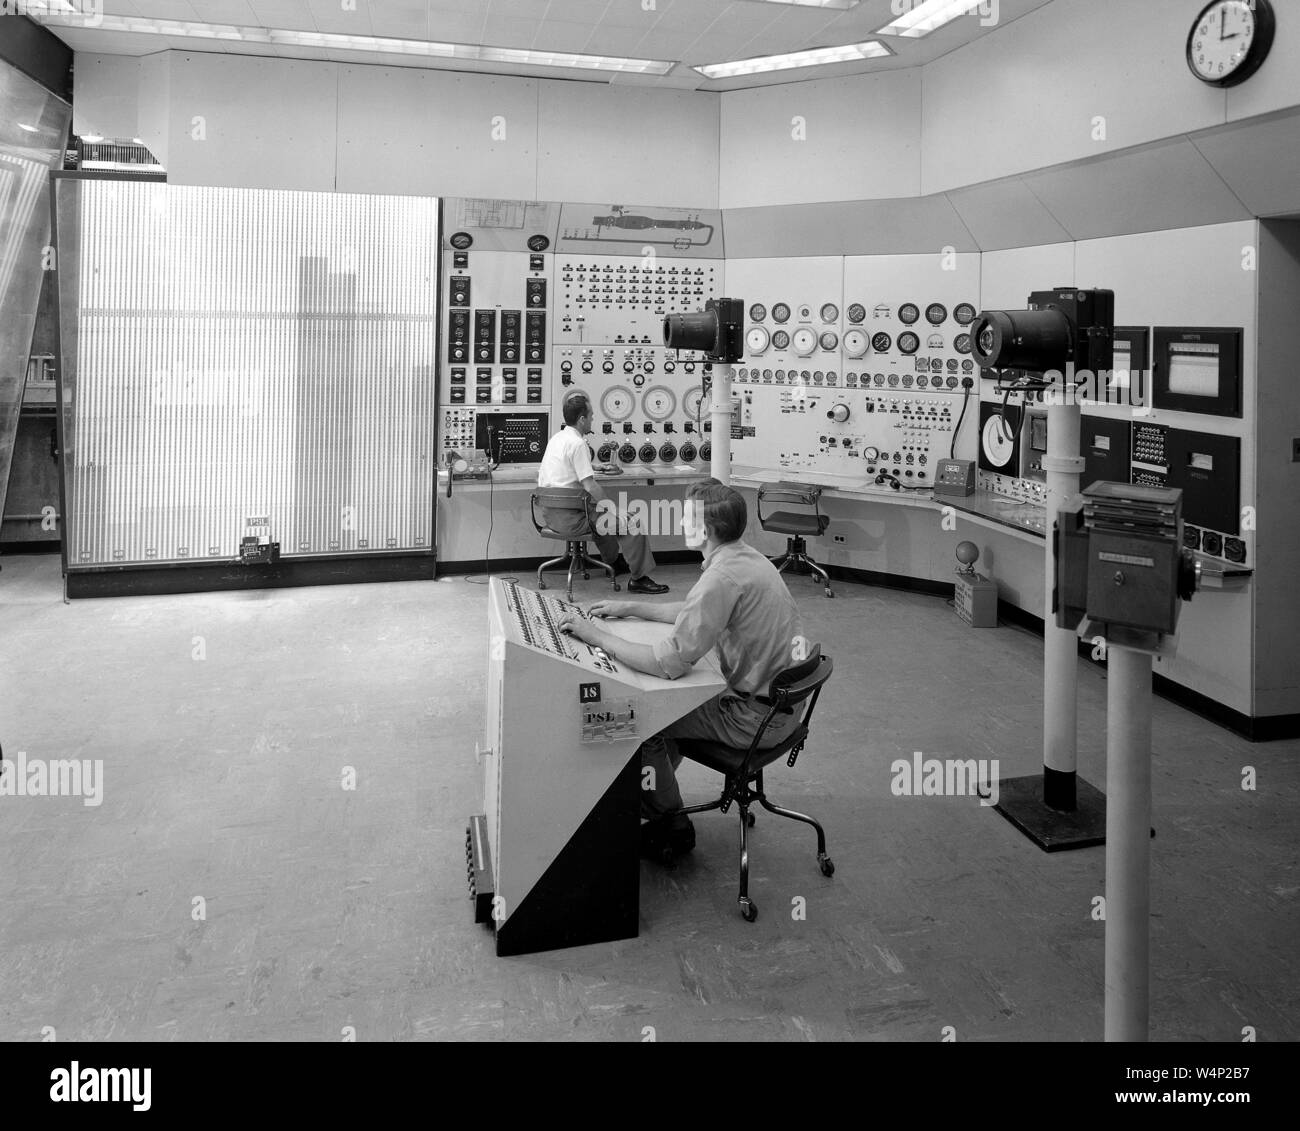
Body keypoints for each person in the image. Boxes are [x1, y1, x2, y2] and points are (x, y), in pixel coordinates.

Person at [558, 479, 806, 859]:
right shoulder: (745, 559)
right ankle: (654, 799)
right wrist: (631, 608)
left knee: (635, 722)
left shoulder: (721, 578)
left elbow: (668, 663)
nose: (679, 523)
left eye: (685, 518)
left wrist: (598, 637)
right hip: (778, 707)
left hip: (754, 718)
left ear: (704, 531)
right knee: (658, 716)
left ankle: (671, 823)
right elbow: (694, 610)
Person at [538, 391, 668, 595]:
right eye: (590, 416)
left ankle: (615, 564)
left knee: (599, 513)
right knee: (630, 520)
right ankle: (639, 579)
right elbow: (590, 486)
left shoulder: (558, 438)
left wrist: (592, 466)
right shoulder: (578, 443)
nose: (592, 419)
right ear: (582, 419)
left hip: (551, 515)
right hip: (574, 519)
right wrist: (615, 510)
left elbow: (567, 470)